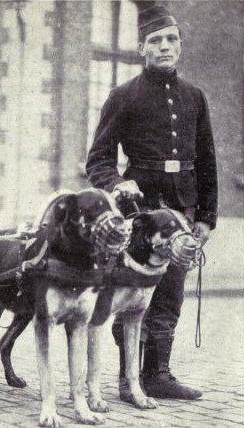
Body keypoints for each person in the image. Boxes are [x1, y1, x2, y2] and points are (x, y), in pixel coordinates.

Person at [86, 5, 217, 401]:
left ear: (180, 45)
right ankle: (130, 380)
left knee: (171, 289)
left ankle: (158, 374)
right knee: (132, 291)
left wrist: (207, 217)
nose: (164, 47)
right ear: (141, 47)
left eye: (171, 40)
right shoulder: (123, 96)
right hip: (139, 214)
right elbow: (98, 160)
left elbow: (208, 161)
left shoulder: (195, 97)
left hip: (183, 210)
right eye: (155, 41)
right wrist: (119, 184)